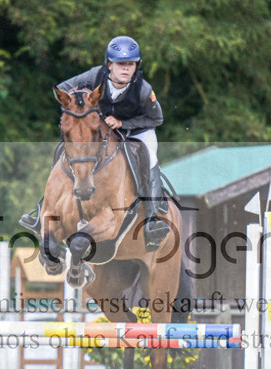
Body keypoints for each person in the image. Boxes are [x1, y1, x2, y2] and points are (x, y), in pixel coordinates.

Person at [20, 35, 169, 250]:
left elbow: (156, 119)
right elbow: (64, 88)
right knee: (63, 148)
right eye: (120, 64)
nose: (126, 69)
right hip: (100, 128)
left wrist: (123, 123)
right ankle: (44, 206)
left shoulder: (143, 89)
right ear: (109, 65)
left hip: (138, 130)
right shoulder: (94, 76)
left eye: (131, 64)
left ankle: (153, 218)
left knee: (149, 155)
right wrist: (82, 102)